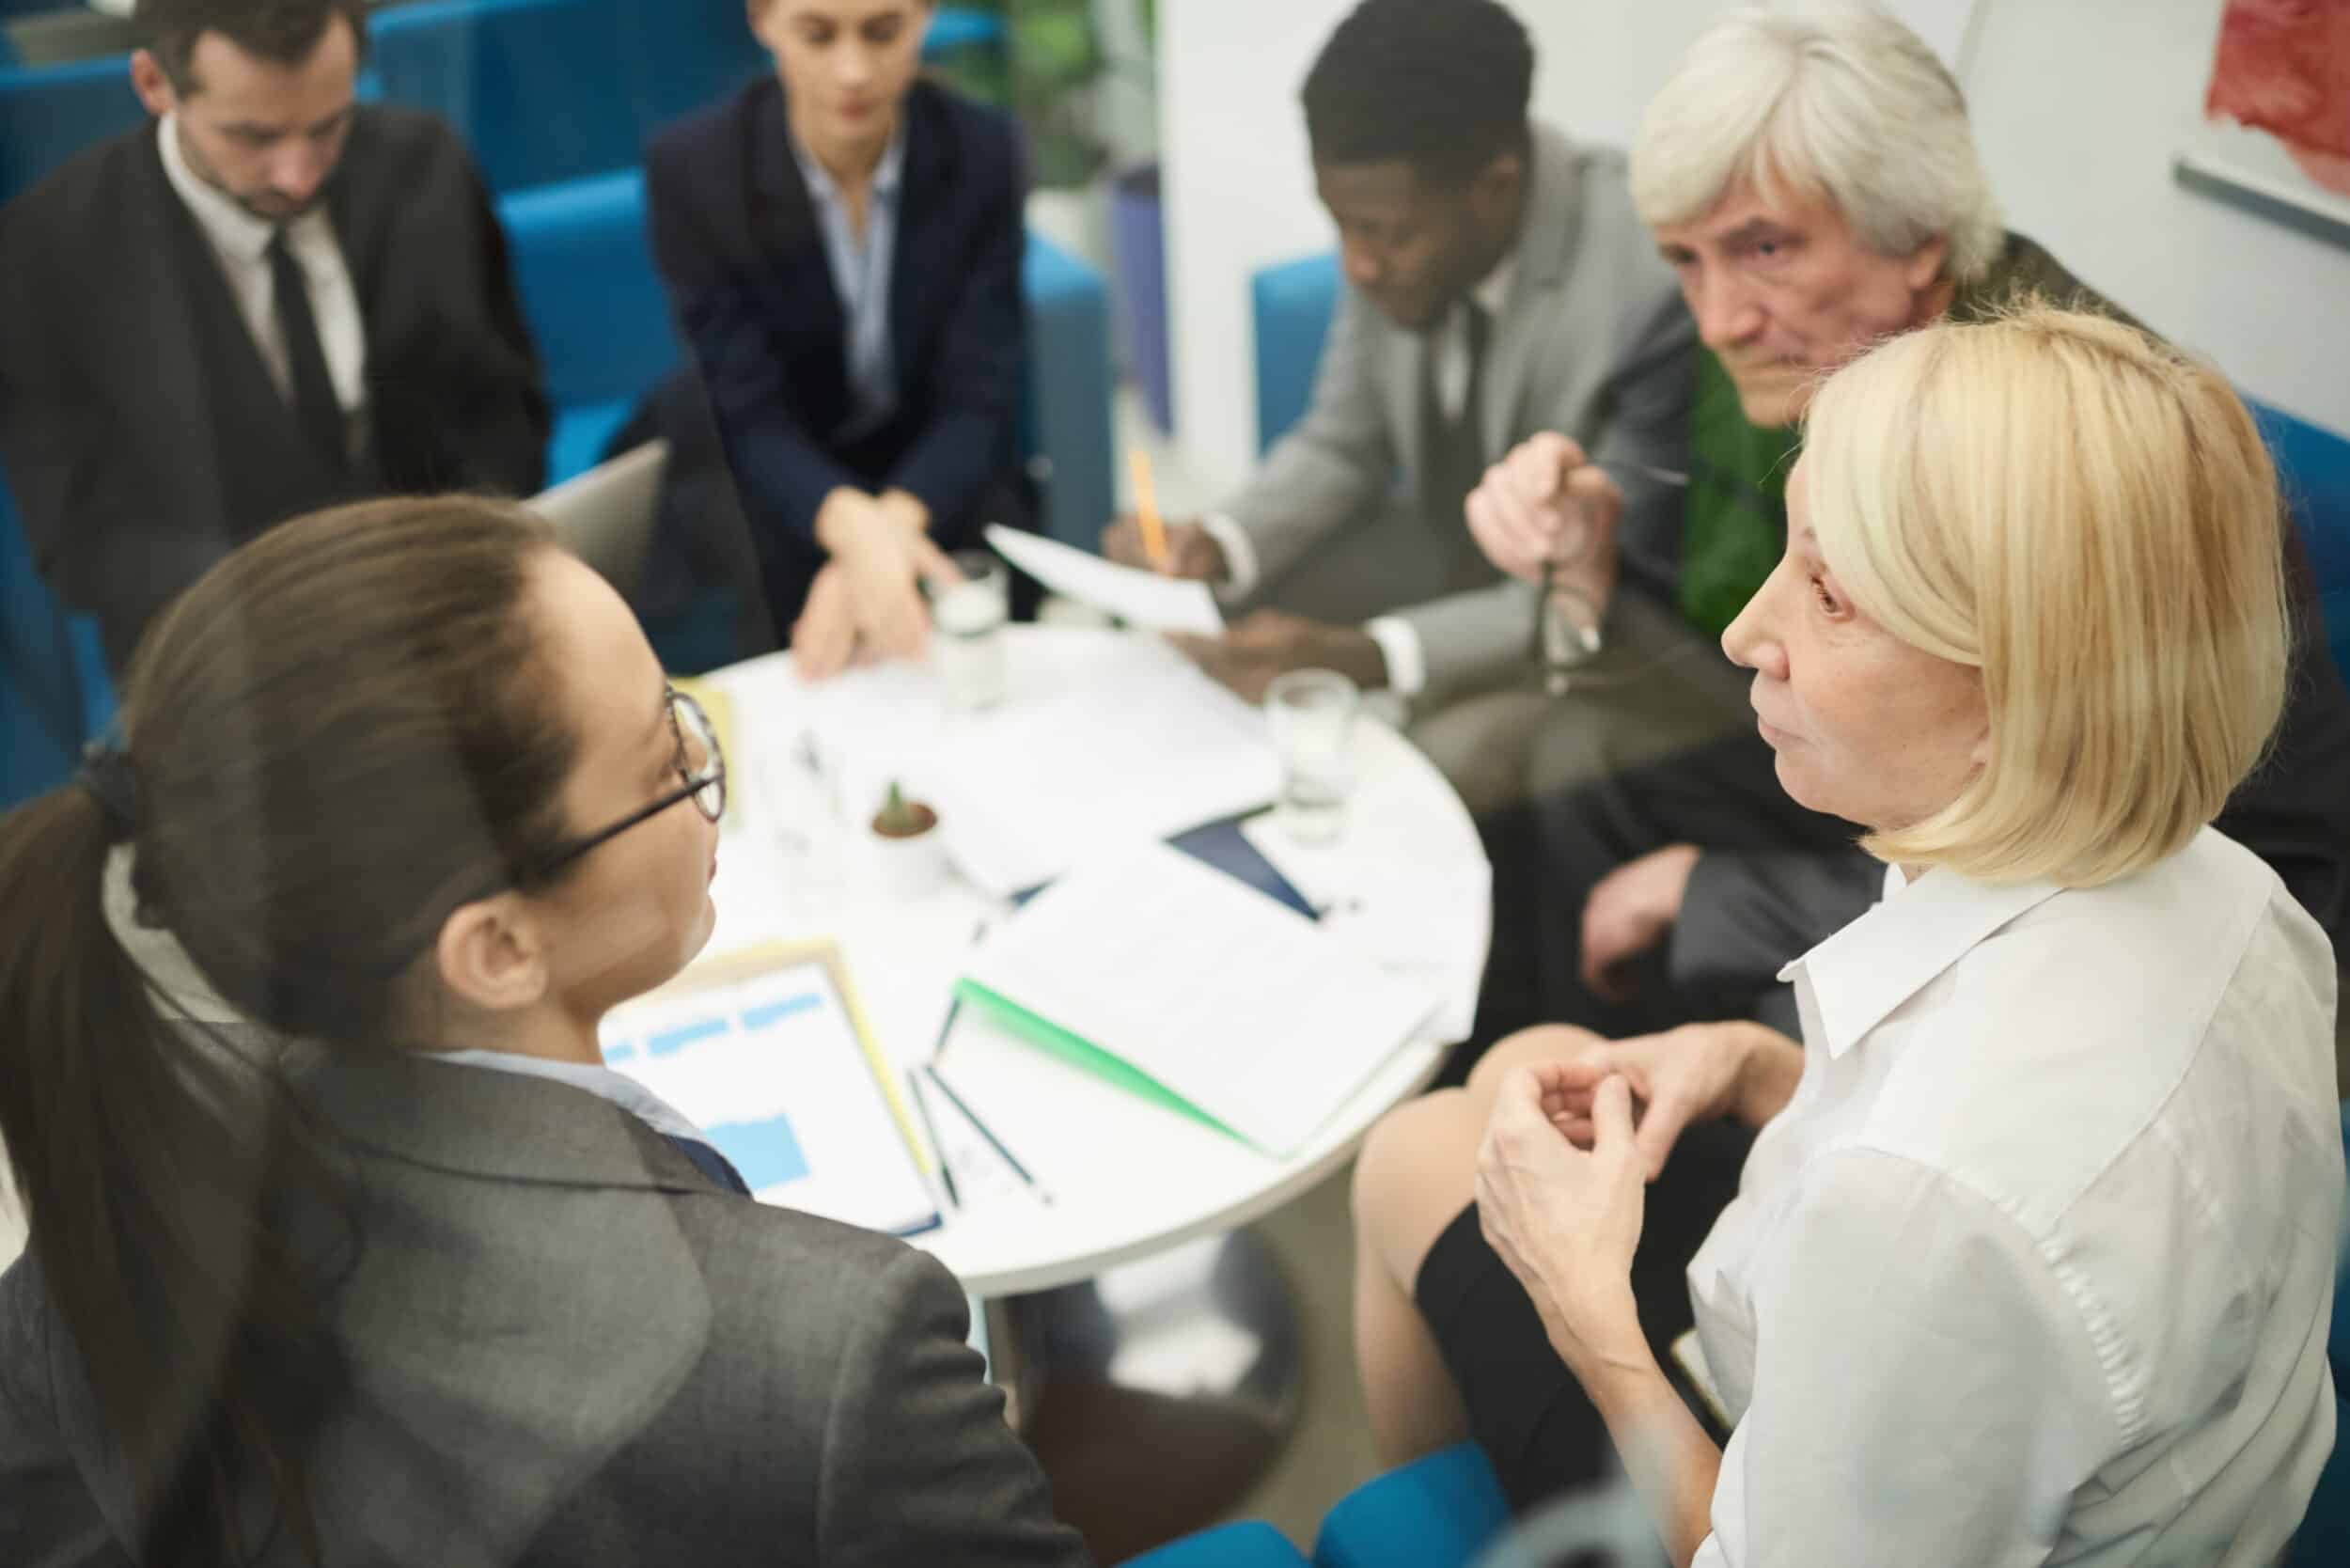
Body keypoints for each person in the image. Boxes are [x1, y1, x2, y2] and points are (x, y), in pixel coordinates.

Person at [1354, 306, 2345, 1560]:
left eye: (1827, 594)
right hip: (2134, 1447)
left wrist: (1582, 1306)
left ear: (2022, 689)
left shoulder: (1924, 1202)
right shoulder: (2234, 890)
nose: (1742, 635)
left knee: (1407, 1157)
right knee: (1523, 1066)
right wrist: (1761, 1065)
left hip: (1753, 1475)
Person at [0, 498, 1089, 1564]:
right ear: (498, 949)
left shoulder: (114, 1223)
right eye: (665, 757)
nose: (706, 768)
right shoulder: (842, 1352)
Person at [1461, 0, 2350, 1059]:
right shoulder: (1771, 347)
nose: (1716, 319)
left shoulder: (2081, 458)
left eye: (1763, 247)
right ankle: (1559, 1096)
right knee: (1554, 764)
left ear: (1920, 238)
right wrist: (1587, 564)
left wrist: (1723, 893)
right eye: (1685, 260)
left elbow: (2143, 855)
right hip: (1884, 778)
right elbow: (1737, 654)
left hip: (2120, 905)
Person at [1100, 0, 1692, 812]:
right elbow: (1344, 444)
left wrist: (1366, 656)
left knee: (1438, 769)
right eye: (1339, 225)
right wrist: (1219, 543)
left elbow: (1593, 596)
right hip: (1441, 548)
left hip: (1589, 633)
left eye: (1383, 235)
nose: (1359, 265)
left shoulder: (1647, 285)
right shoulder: (1386, 228)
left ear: (1495, 188)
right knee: (1215, 607)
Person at [0, 0, 547, 677]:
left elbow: (508, 412)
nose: (299, 175)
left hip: (448, 616)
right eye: (253, 137)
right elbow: (83, 546)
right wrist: (311, 602)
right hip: (223, 662)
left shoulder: (425, 164)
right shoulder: (45, 252)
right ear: (154, 85)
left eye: (328, 126)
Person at [642, 0, 1027, 676]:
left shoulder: (984, 153)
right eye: (817, 35)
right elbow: (746, 408)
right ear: (763, 22)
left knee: (992, 609)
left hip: (924, 459)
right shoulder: (693, 172)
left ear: (925, 17)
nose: (853, 72)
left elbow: (980, 393)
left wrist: (881, 541)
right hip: (776, 462)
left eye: (882, 32)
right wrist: (861, 538)